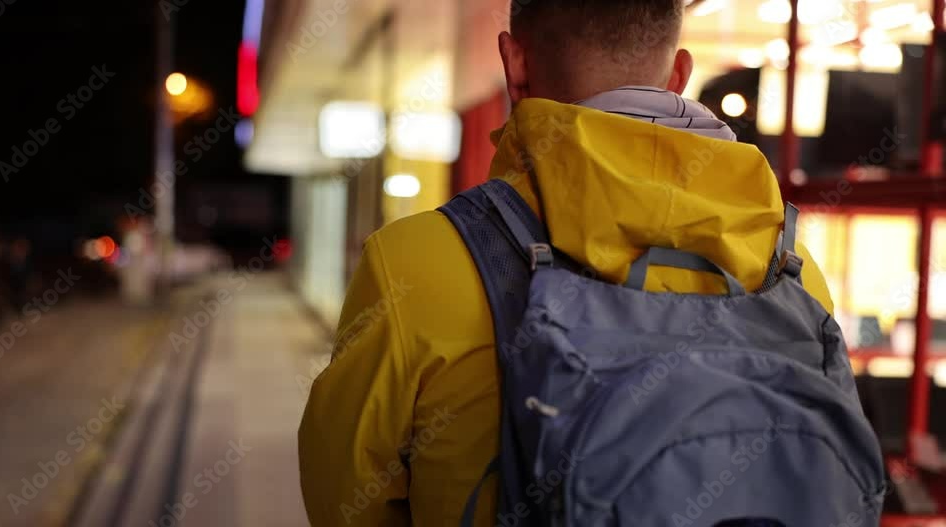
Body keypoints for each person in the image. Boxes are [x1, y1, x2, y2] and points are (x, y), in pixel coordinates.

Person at [299, 1, 835, 525]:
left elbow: (346, 500)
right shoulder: (791, 269)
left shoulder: (413, 262)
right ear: (678, 75)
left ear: (514, 63)